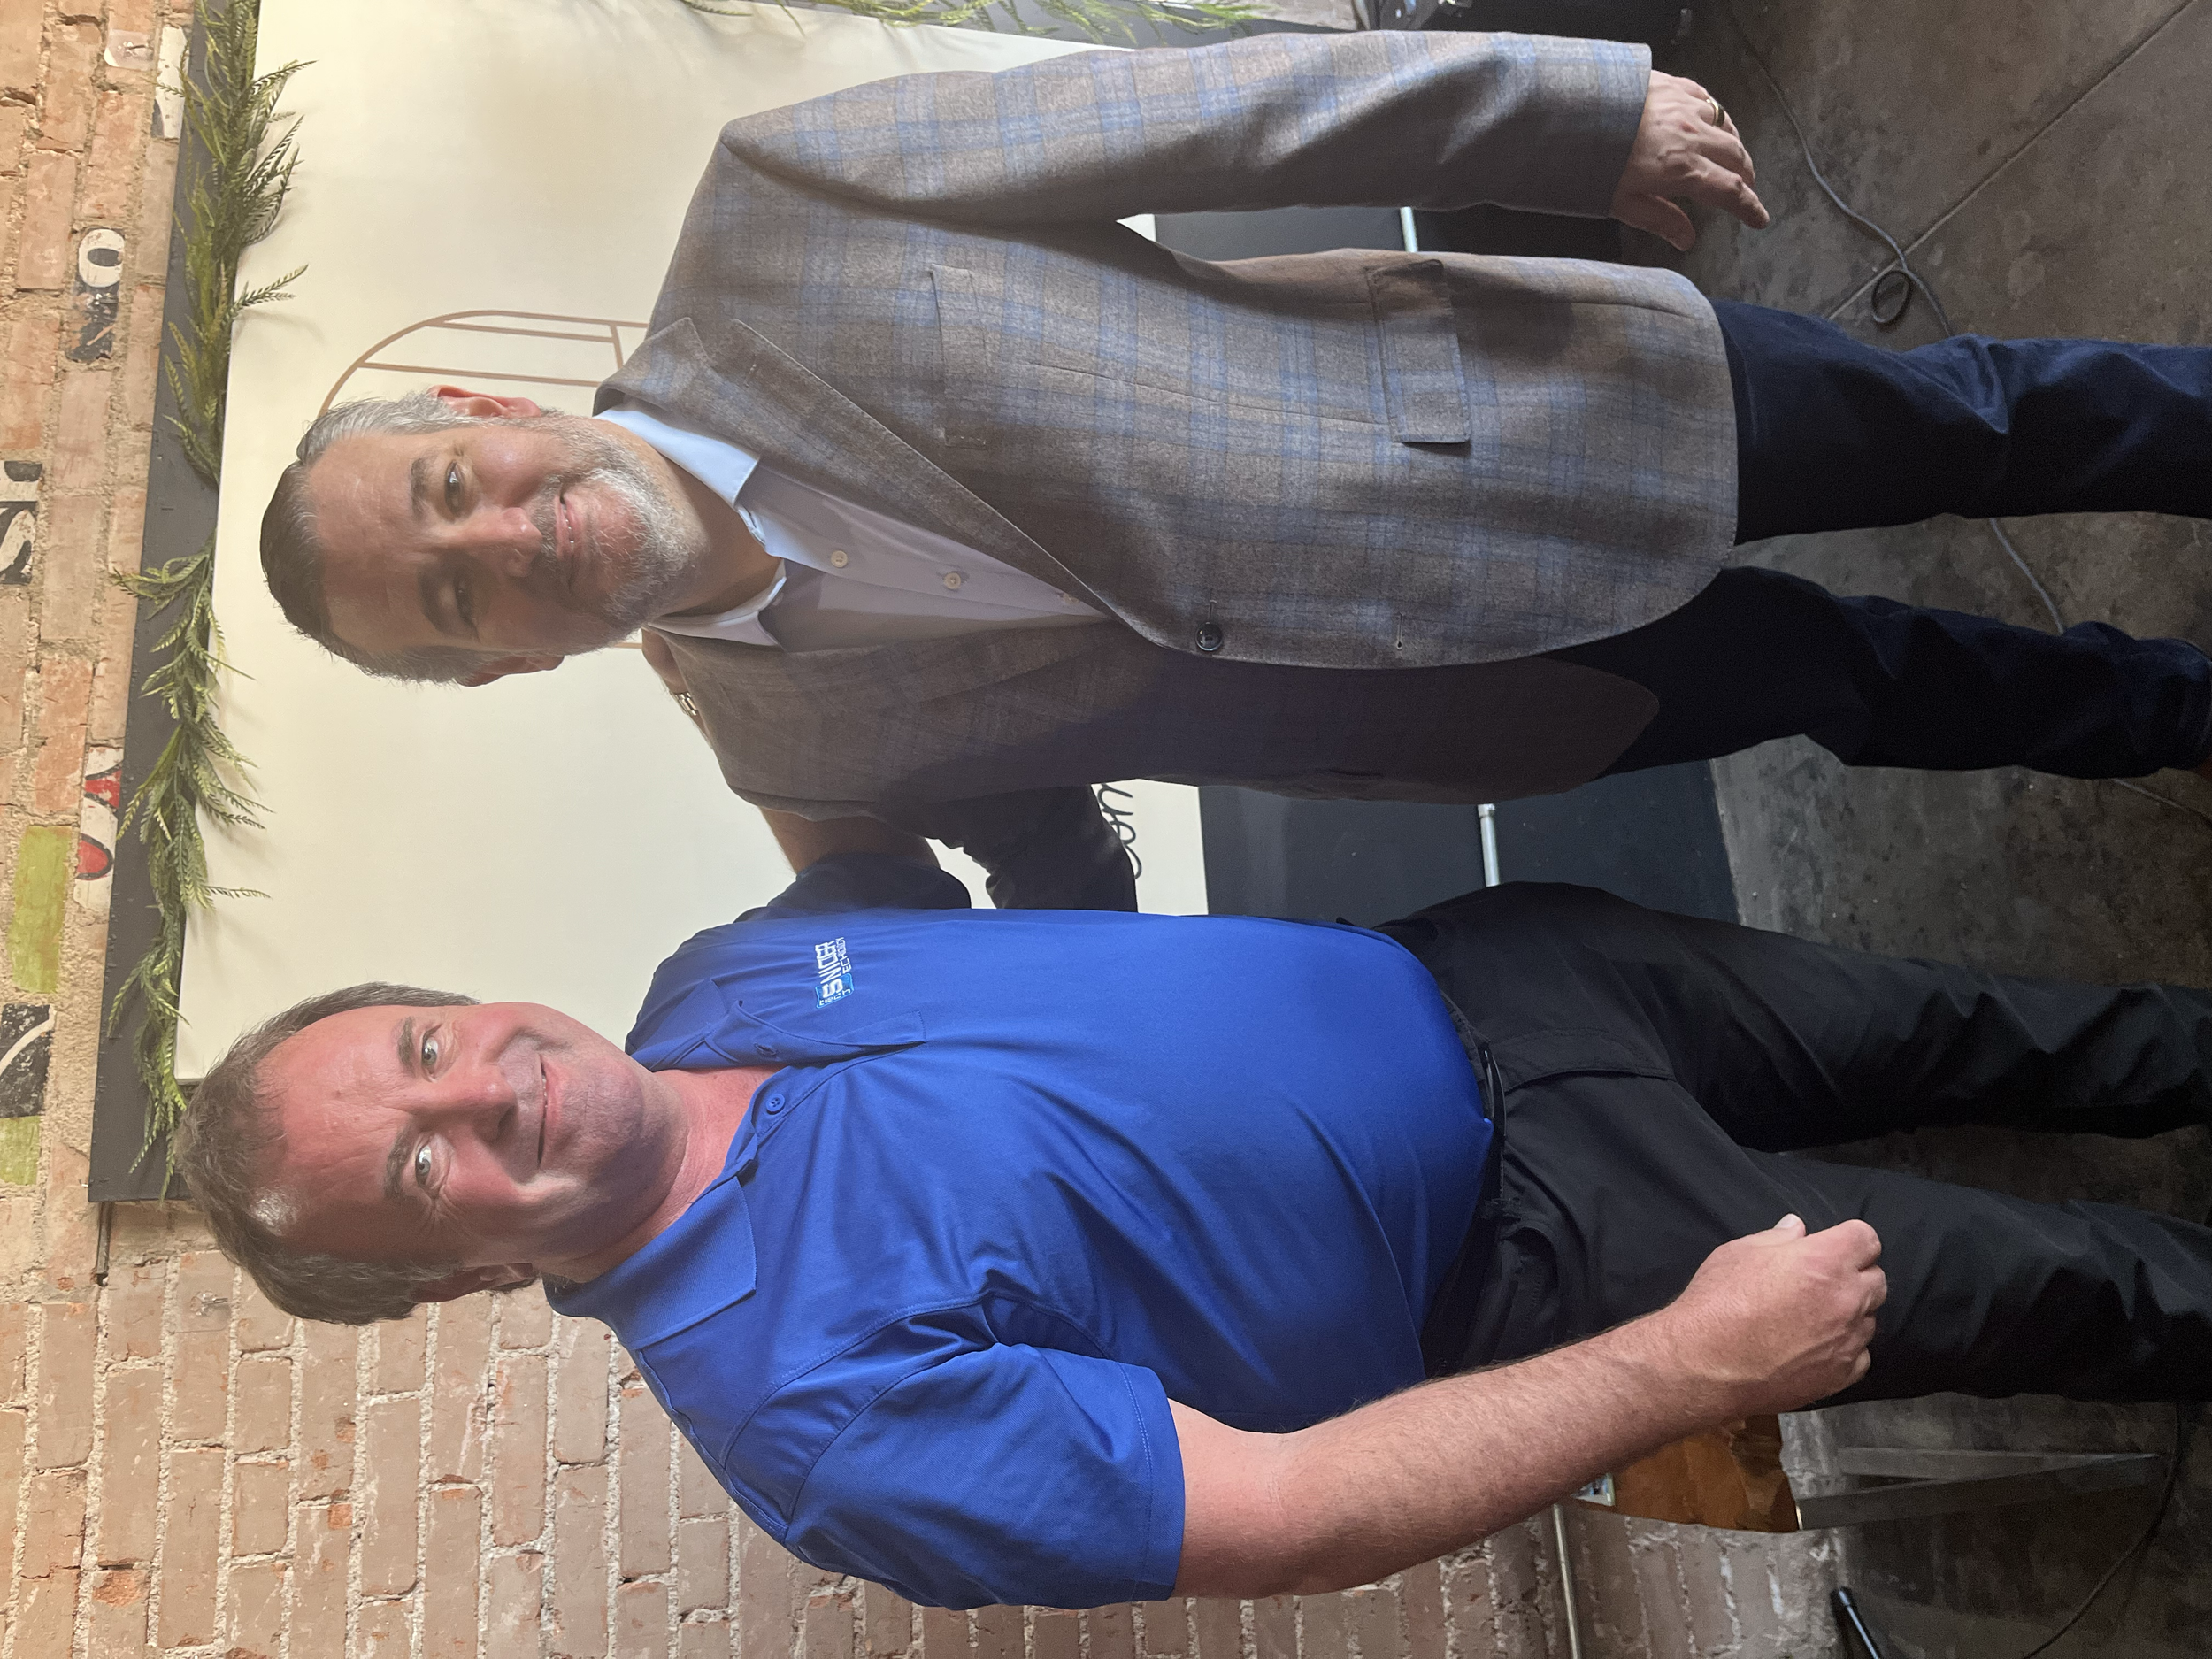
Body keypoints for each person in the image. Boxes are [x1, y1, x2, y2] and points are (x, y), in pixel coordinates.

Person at [252, 30, 2212, 906]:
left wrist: (1560, 109)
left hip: (1522, 403)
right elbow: (1051, 877)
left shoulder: (770, 218)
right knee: (1871, 695)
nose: (505, 539)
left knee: (1980, 417)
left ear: (477, 419)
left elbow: (1185, 119)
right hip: (1484, 702)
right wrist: (899, 942)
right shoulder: (796, 757)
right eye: (454, 601)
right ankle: (2173, 717)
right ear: (498, 669)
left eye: (450, 493)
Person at [181, 853, 2212, 1609]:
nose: (486, 1085)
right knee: (2102, 1291)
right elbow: (1296, 1513)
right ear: (449, 1271)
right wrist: (1684, 1367)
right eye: (426, 1161)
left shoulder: (720, 964)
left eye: (427, 1042)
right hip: (1572, 1255)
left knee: (1994, 1022)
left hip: (1507, 974)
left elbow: (1052, 927)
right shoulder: (806, 1420)